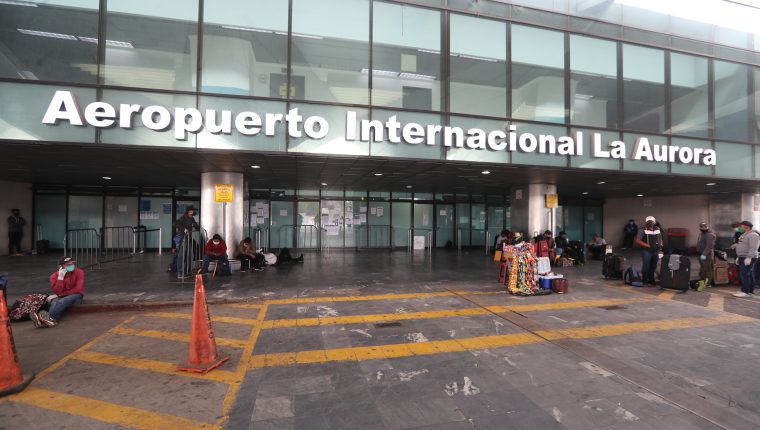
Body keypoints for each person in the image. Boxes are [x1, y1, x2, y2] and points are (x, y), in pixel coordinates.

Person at [42, 257, 85, 326]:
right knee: (54, 303)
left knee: (63, 300)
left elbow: (78, 289)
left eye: (72, 263)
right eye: (68, 265)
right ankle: (51, 321)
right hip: (60, 296)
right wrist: (60, 278)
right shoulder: (54, 276)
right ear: (61, 267)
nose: (71, 266)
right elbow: (57, 291)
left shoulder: (79, 272)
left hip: (76, 296)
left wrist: (61, 294)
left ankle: (47, 319)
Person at [732, 221, 759, 298]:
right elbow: (744, 244)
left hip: (748, 257)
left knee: (744, 275)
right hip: (743, 256)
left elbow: (753, 247)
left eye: (741, 226)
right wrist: (737, 247)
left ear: (746, 227)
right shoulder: (745, 234)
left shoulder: (753, 235)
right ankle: (750, 291)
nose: (740, 228)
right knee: (748, 274)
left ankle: (745, 291)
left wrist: (749, 257)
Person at [634, 216, 663, 286]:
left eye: (652, 221)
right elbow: (637, 240)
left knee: (653, 266)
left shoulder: (657, 229)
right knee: (646, 265)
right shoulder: (642, 230)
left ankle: (651, 279)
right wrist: (647, 245)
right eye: (649, 221)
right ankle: (644, 280)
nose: (650, 223)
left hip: (656, 251)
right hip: (647, 251)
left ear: (654, 222)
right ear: (646, 222)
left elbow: (660, 239)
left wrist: (661, 246)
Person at [175, 206, 200, 276]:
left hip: (188, 238)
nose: (191, 212)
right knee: (181, 255)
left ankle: (187, 271)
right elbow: (176, 223)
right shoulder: (184, 217)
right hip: (182, 237)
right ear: (187, 211)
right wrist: (184, 229)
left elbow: (196, 227)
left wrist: (197, 226)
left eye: (192, 211)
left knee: (190, 255)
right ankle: (179, 272)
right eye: (190, 211)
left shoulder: (192, 218)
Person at [696, 222, 716, 286]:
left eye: (704, 226)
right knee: (702, 268)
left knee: (707, 269)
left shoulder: (710, 235)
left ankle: (708, 283)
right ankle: (703, 281)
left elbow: (709, 246)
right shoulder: (702, 234)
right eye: (701, 227)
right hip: (700, 253)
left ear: (707, 227)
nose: (703, 228)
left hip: (707, 255)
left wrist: (704, 254)